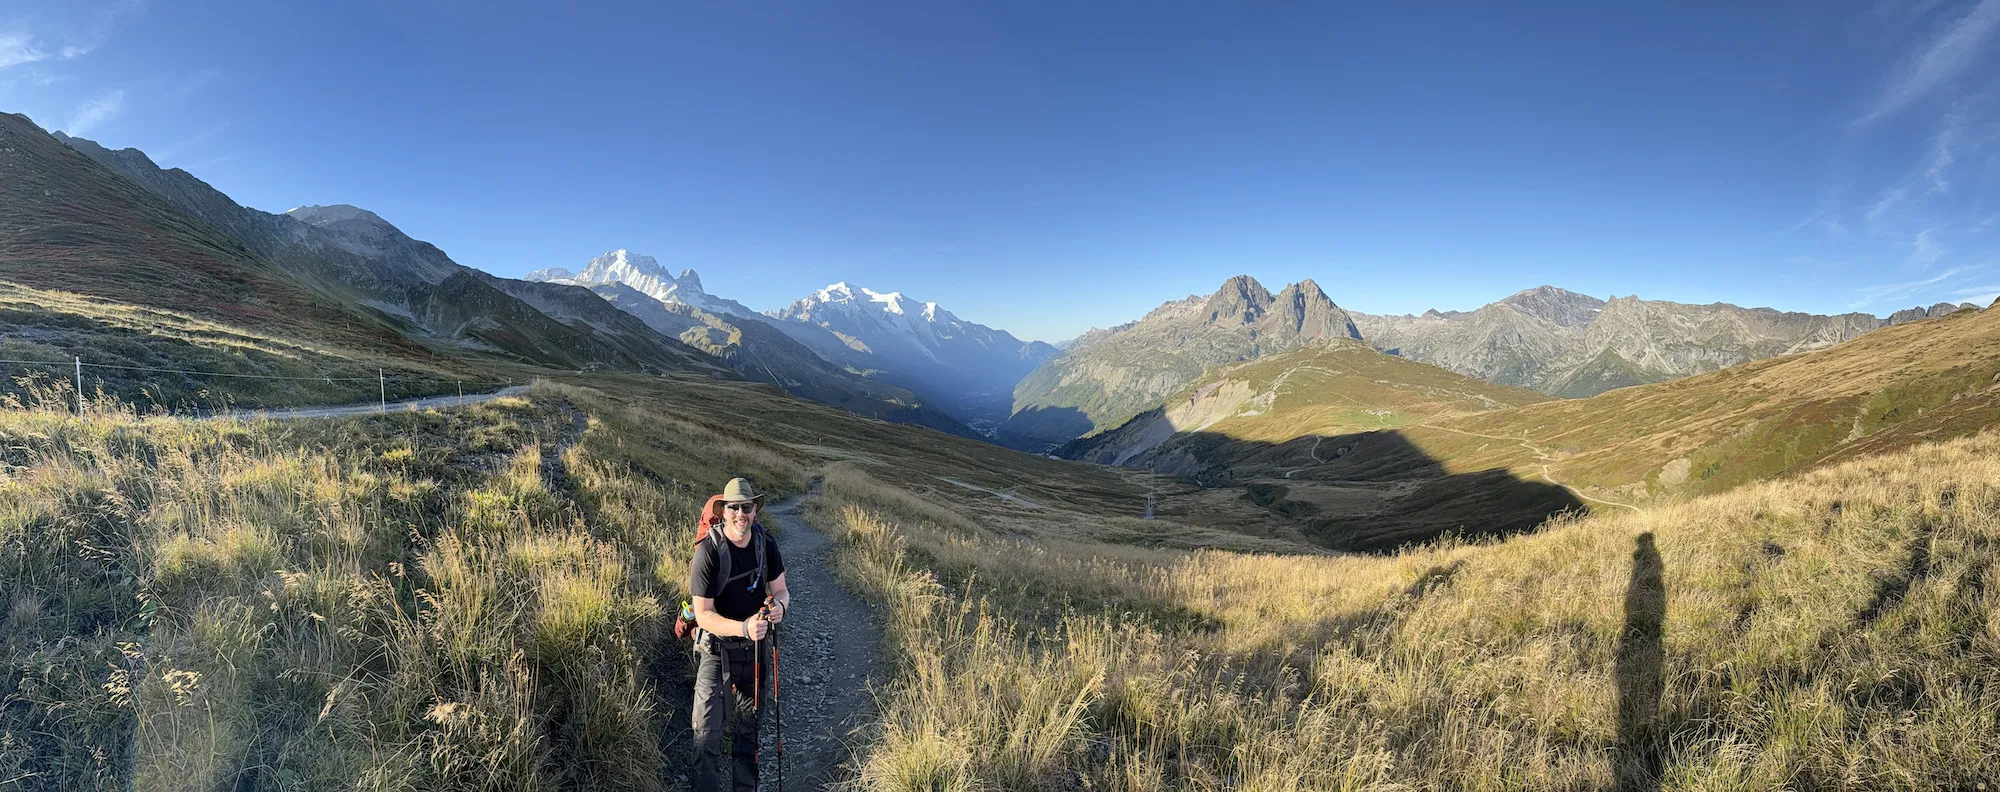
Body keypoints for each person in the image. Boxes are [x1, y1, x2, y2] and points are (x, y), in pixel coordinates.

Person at [688, 477, 790, 792]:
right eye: (734, 508)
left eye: (746, 507)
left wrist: (780, 610)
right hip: (716, 652)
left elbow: (782, 591)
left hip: (755, 654)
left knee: (748, 735)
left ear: (754, 510)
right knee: (706, 739)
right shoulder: (709, 552)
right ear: (725, 510)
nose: (741, 514)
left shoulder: (765, 544)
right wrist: (743, 627)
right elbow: (703, 614)